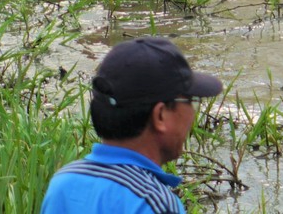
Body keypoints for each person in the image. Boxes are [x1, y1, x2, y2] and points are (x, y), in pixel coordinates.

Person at [41, 36, 223, 213]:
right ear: (160, 115)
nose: (192, 114)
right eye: (190, 101)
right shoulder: (154, 203)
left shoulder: (63, 183)